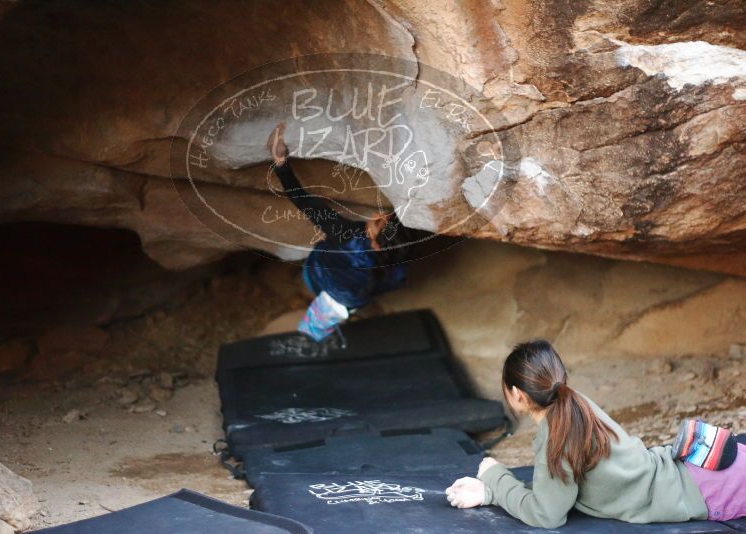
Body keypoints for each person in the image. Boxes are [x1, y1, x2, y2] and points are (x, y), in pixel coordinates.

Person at [445, 340, 746, 528]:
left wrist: (495, 480)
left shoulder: (557, 435)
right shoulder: (575, 402)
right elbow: (557, 486)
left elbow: (546, 515)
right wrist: (491, 491)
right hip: (699, 468)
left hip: (706, 490)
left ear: (516, 394)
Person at [266, 123, 411, 340]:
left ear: (374, 242)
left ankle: (313, 329)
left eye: (378, 223)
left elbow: (305, 203)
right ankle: (321, 328)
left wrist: (280, 164)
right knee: (333, 312)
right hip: (353, 298)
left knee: (327, 294)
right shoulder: (399, 254)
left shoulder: (346, 234)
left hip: (319, 278)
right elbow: (396, 280)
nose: (378, 216)